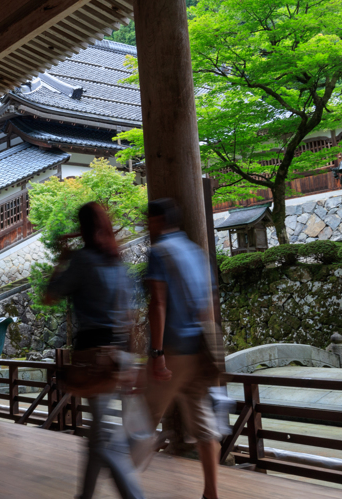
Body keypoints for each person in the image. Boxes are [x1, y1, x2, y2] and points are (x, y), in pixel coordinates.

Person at [43, 202, 145, 499]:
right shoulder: (117, 261)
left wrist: (62, 260)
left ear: (84, 229)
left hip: (94, 357)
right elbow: (131, 317)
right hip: (122, 356)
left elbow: (50, 296)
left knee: (101, 440)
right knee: (98, 436)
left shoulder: (83, 261)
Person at [143, 198, 220, 499]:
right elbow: (208, 302)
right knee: (203, 424)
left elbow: (158, 303)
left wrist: (157, 354)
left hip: (173, 349)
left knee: (143, 420)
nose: (146, 227)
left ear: (158, 221)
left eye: (148, 221)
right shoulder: (196, 252)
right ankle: (211, 493)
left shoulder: (159, 251)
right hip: (199, 348)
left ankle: (127, 486)